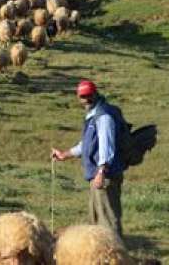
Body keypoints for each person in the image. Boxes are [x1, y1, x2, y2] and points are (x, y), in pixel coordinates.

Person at [51, 80, 125, 239]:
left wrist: (101, 171)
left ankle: (116, 256)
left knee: (108, 222)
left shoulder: (103, 116)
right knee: (96, 220)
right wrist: (65, 154)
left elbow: (107, 145)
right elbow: (86, 144)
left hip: (105, 176)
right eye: (82, 96)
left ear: (95, 94)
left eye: (88, 96)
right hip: (97, 176)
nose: (86, 100)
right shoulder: (93, 116)